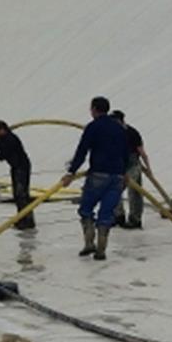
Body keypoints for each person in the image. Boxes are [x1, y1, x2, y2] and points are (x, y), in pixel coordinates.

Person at [61, 96, 128, 261]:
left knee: (86, 209)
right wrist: (124, 172)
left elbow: (82, 151)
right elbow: (126, 153)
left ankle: (89, 243)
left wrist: (71, 172)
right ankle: (101, 250)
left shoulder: (93, 127)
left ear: (95, 109)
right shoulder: (120, 128)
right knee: (106, 214)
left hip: (98, 175)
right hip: (117, 177)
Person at [111, 111, 151, 229]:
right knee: (114, 190)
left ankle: (135, 219)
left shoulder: (132, 133)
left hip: (132, 164)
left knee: (134, 191)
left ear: (120, 120)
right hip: (118, 164)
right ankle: (118, 216)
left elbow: (142, 153)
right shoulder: (112, 133)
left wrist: (148, 169)